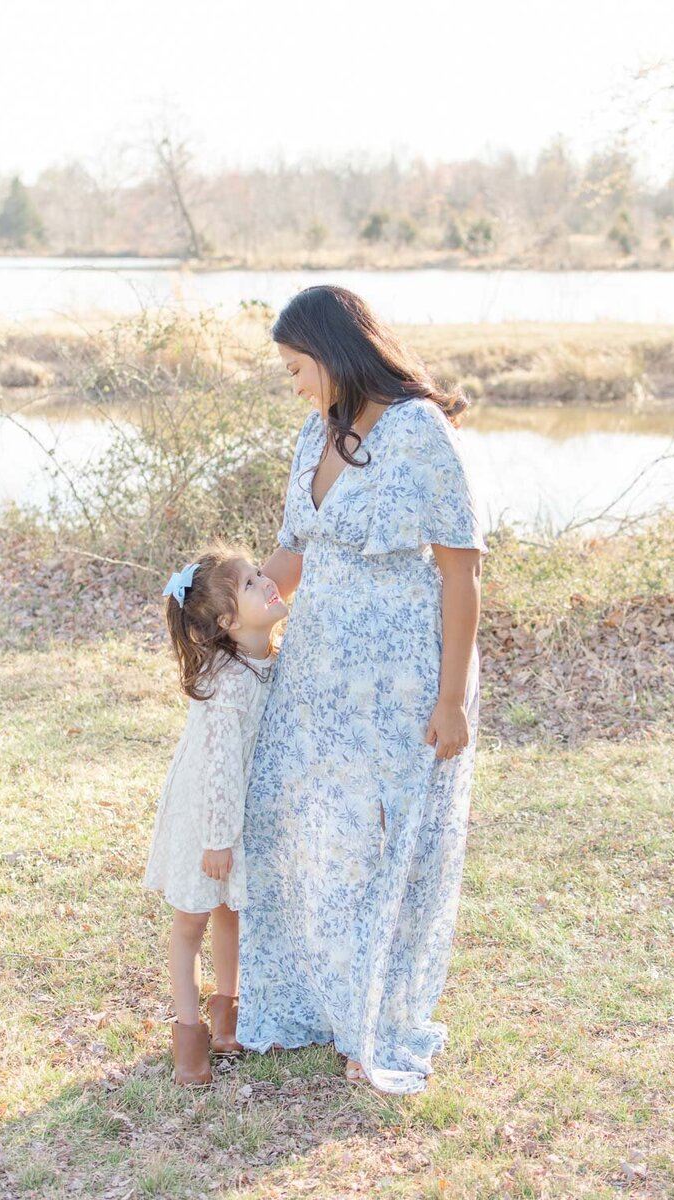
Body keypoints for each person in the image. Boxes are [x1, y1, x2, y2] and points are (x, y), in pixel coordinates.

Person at [237, 285, 488, 1094]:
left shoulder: (422, 433)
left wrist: (449, 700)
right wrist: (217, 611)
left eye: (297, 367)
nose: (296, 385)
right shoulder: (316, 431)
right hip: (316, 668)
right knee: (293, 815)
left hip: (401, 675)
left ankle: (374, 1018)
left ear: (335, 351)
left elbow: (460, 573)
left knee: (388, 840)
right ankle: (311, 1000)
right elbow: (289, 561)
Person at [143, 542, 287, 1086]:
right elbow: (220, 769)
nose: (267, 581)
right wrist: (219, 840)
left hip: (229, 816)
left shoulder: (262, 658)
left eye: (257, 574)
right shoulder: (227, 684)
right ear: (227, 620)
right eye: (252, 583)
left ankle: (228, 1018)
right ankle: (189, 1040)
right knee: (191, 922)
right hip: (204, 817)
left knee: (230, 911)